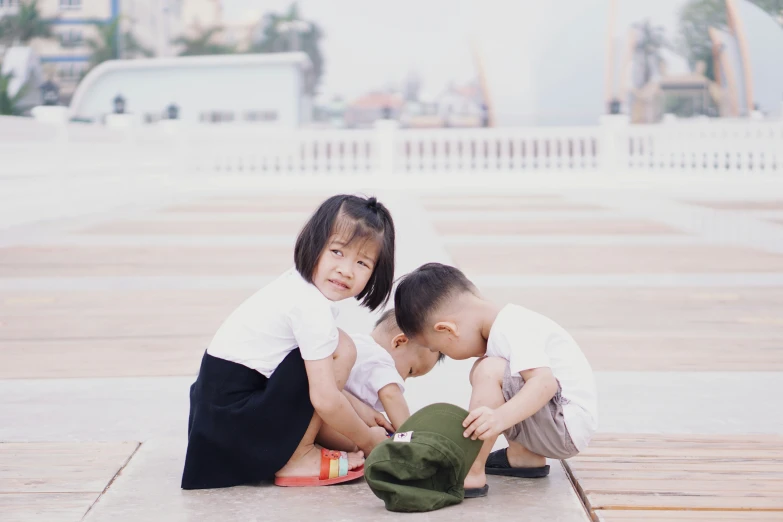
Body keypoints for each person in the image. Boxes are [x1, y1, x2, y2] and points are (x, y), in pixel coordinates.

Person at [181, 194, 396, 490]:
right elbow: (323, 398)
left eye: (362, 262)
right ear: (314, 243)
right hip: (233, 421)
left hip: (218, 420)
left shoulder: (297, 286)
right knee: (340, 351)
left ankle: (304, 446)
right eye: (336, 251)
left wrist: (359, 409)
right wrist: (367, 440)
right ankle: (299, 457)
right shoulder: (309, 308)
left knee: (340, 347)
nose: (346, 269)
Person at [393, 263, 597, 497]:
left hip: (564, 423)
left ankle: (471, 471)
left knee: (489, 370)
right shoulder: (506, 327)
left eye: (438, 349)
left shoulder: (511, 327)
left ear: (448, 330)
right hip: (560, 422)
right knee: (487, 369)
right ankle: (524, 457)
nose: (445, 355)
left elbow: (544, 384)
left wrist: (499, 418)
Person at [344, 309, 443, 433]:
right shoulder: (380, 360)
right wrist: (410, 434)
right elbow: (391, 396)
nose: (403, 380)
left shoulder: (354, 341)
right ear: (399, 342)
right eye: (410, 371)